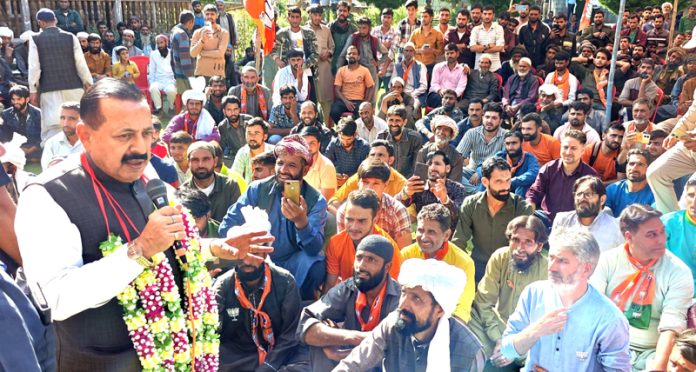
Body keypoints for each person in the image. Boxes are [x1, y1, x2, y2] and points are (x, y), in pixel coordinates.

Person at [15, 78, 274, 371]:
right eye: (124, 135)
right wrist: (138, 251)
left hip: (178, 358)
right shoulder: (48, 195)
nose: (140, 148)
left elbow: (170, 243)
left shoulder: (145, 173)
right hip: (100, 362)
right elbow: (55, 299)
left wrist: (217, 247)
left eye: (146, 133)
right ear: (86, 136)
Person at [499, 228, 631, 370]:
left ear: (586, 269)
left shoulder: (610, 319)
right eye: (551, 258)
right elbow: (507, 349)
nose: (552, 267)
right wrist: (537, 330)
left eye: (562, 261)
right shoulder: (533, 293)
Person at [221, 135, 327, 301]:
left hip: (294, 261)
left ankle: (297, 305)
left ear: (305, 170)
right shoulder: (257, 190)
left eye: (291, 165)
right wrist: (250, 236)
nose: (283, 170)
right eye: (280, 163)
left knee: (316, 265)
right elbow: (226, 227)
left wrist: (301, 222)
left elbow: (313, 248)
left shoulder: (315, 200)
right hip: (258, 256)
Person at [590, 205, 694, 372]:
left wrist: (658, 368)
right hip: (608, 345)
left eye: (661, 232)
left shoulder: (679, 271)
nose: (661, 239)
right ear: (629, 237)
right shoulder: (607, 261)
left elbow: (672, 324)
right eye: (651, 235)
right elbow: (593, 310)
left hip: (652, 352)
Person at [334, 258, 486, 371]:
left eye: (416, 298)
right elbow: (352, 365)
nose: (402, 305)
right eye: (404, 293)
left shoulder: (469, 351)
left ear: (439, 310)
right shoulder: (394, 323)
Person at [298, 235, 401, 372]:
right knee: (320, 340)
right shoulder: (347, 288)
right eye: (359, 258)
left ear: (387, 267)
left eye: (371, 260)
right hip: (344, 362)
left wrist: (344, 354)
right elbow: (305, 326)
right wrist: (350, 337)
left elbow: (396, 345)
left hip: (379, 365)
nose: (361, 266)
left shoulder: (399, 297)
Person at [214, 245, 308, 371]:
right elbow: (212, 330)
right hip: (239, 357)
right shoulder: (222, 286)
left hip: (280, 354)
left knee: (305, 364)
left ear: (264, 254)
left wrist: (270, 365)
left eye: (254, 254)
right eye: (242, 255)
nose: (247, 261)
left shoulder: (285, 281)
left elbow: (290, 333)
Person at [468, 215, 549, 361]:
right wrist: (499, 339)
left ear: (540, 246)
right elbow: (484, 302)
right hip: (497, 326)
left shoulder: (548, 270)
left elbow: (545, 323)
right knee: (469, 321)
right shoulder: (501, 257)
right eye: (515, 240)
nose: (520, 248)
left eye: (528, 242)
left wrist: (514, 347)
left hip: (529, 335)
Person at [453, 157, 533, 283]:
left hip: (509, 269)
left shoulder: (521, 208)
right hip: (477, 268)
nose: (506, 186)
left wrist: (516, 274)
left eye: (508, 180)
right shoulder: (471, 204)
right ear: (485, 182)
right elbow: (459, 241)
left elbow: (526, 248)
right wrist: (460, 270)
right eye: (499, 181)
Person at [400, 204, 476, 323]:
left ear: (446, 235)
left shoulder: (463, 263)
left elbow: (462, 309)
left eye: (431, 232)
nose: (424, 237)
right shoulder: (406, 255)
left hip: (446, 321)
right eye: (420, 230)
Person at [29, 8, 92, 143]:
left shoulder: (35, 39)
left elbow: (35, 68)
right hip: (74, 88)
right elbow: (81, 64)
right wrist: (88, 83)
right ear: (56, 20)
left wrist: (33, 91)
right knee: (78, 122)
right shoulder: (71, 37)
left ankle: (54, 159)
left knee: (54, 126)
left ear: (40, 23)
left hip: (49, 90)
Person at [324, 189, 401, 293]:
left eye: (361, 221)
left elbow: (392, 292)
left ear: (374, 220)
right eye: (349, 219)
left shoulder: (389, 248)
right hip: (347, 296)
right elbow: (330, 285)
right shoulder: (336, 242)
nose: (354, 227)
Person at [335, 160, 412, 249]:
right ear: (358, 182)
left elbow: (404, 254)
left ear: (385, 184)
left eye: (376, 183)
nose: (369, 188)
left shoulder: (398, 211)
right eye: (365, 182)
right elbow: (344, 249)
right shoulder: (344, 212)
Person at [527, 129, 598, 222]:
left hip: (575, 224)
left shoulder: (590, 176)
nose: (568, 152)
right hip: (547, 220)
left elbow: (592, 207)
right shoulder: (549, 168)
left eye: (573, 148)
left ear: (582, 150)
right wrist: (528, 209)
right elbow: (534, 193)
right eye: (565, 147)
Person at [327, 140, 407, 214]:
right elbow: (334, 201)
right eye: (372, 155)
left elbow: (411, 214)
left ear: (391, 160)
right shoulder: (360, 176)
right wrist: (347, 218)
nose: (375, 158)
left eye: (380, 155)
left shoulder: (401, 182)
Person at [647, 95, 696, 213]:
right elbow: (692, 114)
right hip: (691, 146)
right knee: (656, 173)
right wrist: (676, 134)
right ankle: (672, 225)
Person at [553, 175, 623, 251]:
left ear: (602, 200)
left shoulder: (616, 228)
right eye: (579, 194)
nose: (582, 198)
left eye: (588, 194)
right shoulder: (562, 221)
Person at [399, 151, 467, 227]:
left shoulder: (458, 189)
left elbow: (460, 216)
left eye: (437, 164)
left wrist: (445, 200)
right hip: (423, 233)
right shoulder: (418, 186)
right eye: (429, 164)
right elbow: (395, 205)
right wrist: (406, 193)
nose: (432, 167)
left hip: (448, 235)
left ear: (447, 168)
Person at [180, 141, 240, 222]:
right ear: (188, 162)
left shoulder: (230, 186)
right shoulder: (184, 191)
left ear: (215, 161)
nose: (200, 165)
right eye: (195, 160)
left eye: (206, 159)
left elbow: (237, 220)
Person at [456, 103, 508, 193]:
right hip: (470, 172)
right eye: (487, 117)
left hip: (493, 175)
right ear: (483, 118)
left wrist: (480, 173)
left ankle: (472, 194)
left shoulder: (506, 136)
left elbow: (502, 162)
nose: (489, 121)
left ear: (500, 121)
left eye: (494, 118)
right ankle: (477, 193)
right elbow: (458, 157)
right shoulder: (472, 133)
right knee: (451, 172)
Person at [337, 17, 390, 96]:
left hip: (371, 72)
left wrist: (378, 63)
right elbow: (343, 55)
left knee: (371, 99)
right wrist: (339, 72)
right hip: (357, 73)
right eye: (360, 28)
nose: (361, 31)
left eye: (364, 28)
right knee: (358, 98)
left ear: (370, 28)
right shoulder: (353, 37)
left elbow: (386, 53)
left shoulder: (374, 40)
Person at [477, 131, 540, 197]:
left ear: (521, 143)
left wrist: (512, 181)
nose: (510, 147)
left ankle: (518, 206)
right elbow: (484, 168)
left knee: (522, 187)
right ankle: (480, 202)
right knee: (487, 179)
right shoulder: (501, 156)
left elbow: (533, 173)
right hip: (500, 186)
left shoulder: (529, 158)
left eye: (514, 143)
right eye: (507, 144)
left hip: (518, 189)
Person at [662, 179, 696, 289]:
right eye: (691, 195)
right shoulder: (668, 222)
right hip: (673, 287)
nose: (694, 202)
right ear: (685, 197)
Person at [271, 6, 319, 84]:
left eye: (297, 17)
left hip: (306, 72)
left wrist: (302, 66)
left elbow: (316, 54)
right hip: (287, 73)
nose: (295, 20)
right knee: (288, 96)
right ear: (288, 18)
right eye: (292, 17)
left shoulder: (309, 33)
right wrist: (277, 60)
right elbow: (273, 49)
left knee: (308, 95)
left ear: (301, 19)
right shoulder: (282, 33)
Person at [331, 46, 375, 124]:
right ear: (346, 57)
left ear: (358, 57)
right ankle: (342, 129)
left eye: (354, 54)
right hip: (343, 101)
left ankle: (356, 131)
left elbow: (371, 87)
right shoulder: (341, 70)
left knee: (361, 115)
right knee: (334, 111)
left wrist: (366, 103)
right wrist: (346, 102)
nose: (351, 55)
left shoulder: (364, 70)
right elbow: (337, 90)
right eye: (349, 54)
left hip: (358, 101)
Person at [415, 115, 464, 182]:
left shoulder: (456, 157)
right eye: (439, 128)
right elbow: (419, 179)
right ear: (434, 131)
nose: (441, 132)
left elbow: (454, 184)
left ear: (451, 134)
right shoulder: (423, 152)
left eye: (446, 129)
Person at [377, 104, 422, 178]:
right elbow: (377, 164)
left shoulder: (415, 138)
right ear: (386, 121)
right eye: (391, 120)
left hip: (407, 181)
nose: (394, 124)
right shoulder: (381, 137)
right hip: (386, 180)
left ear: (405, 122)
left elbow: (416, 167)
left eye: (397, 120)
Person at [0, 85, 42, 160]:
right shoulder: (6, 114)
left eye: (19, 99)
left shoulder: (38, 114)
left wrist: (32, 149)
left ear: (27, 99)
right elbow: (4, 137)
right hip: (14, 150)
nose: (15, 102)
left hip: (34, 148)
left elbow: (43, 136)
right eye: (13, 99)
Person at [325, 118, 370, 186]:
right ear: (338, 134)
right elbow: (326, 163)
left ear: (355, 134)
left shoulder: (363, 146)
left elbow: (365, 170)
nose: (345, 142)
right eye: (342, 138)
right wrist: (335, 175)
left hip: (356, 183)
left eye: (349, 139)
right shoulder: (334, 144)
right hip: (336, 181)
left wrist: (350, 179)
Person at [190, 4, 229, 79]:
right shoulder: (197, 33)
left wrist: (202, 53)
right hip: (201, 73)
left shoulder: (224, 33)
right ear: (204, 15)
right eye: (207, 14)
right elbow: (193, 53)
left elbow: (220, 53)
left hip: (217, 74)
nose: (209, 16)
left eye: (212, 14)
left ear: (217, 15)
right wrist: (202, 40)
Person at [40, 102, 83, 170]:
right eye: (62, 118)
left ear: (82, 120)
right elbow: (46, 173)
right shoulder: (51, 143)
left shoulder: (91, 142)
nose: (65, 123)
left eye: (71, 118)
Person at [231, 117, 273, 184]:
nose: (252, 137)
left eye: (256, 133)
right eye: (249, 133)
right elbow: (234, 177)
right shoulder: (242, 152)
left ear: (265, 136)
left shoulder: (273, 153)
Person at [408, 7, 445, 85]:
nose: (423, 19)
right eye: (422, 16)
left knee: (429, 88)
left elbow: (441, 52)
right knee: (416, 87)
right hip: (417, 65)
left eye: (425, 16)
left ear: (431, 18)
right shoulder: (415, 33)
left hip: (431, 66)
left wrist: (432, 50)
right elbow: (408, 50)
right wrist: (420, 50)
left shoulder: (438, 34)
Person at [301, 126, 337, 201]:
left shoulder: (327, 166)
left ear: (319, 144)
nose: (308, 147)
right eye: (305, 143)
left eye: (312, 143)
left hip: (319, 209)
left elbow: (325, 200)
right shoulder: (296, 163)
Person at [390, 42, 428, 112]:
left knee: (412, 109)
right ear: (403, 52)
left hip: (414, 94)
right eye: (406, 50)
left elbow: (424, 86)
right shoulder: (398, 66)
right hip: (399, 93)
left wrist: (412, 94)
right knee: (385, 102)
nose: (408, 53)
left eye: (411, 51)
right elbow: (392, 83)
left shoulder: (420, 66)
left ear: (414, 53)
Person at [146, 34, 177, 116]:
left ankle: (171, 107)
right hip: (158, 80)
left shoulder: (172, 53)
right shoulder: (153, 54)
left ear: (166, 43)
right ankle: (159, 109)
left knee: (172, 91)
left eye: (161, 43)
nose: (160, 45)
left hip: (170, 80)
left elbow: (175, 68)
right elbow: (151, 70)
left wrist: (174, 81)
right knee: (153, 88)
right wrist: (151, 82)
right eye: (158, 43)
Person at [470, 5, 505, 72]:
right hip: (479, 67)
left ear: (493, 15)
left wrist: (480, 48)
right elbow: (472, 48)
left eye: (489, 14)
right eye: (485, 14)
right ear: (481, 15)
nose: (487, 16)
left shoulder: (499, 28)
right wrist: (488, 46)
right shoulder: (476, 29)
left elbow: (500, 47)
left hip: (495, 67)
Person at [371, 8, 399, 91]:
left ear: (392, 19)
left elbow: (392, 51)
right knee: (372, 94)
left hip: (389, 69)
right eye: (384, 17)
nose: (386, 19)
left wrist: (384, 68)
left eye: (389, 17)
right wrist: (384, 45)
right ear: (381, 17)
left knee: (389, 93)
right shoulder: (374, 31)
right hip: (374, 67)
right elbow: (371, 48)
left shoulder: (396, 32)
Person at [329, 1, 358, 77]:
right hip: (331, 63)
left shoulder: (353, 29)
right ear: (336, 11)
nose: (342, 13)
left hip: (348, 64)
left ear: (348, 13)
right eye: (340, 10)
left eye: (344, 11)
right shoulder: (330, 27)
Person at [171, 11, 195, 94]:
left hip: (177, 70)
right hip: (184, 73)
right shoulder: (182, 35)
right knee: (187, 97)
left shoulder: (174, 31)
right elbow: (185, 57)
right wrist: (190, 75)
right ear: (190, 22)